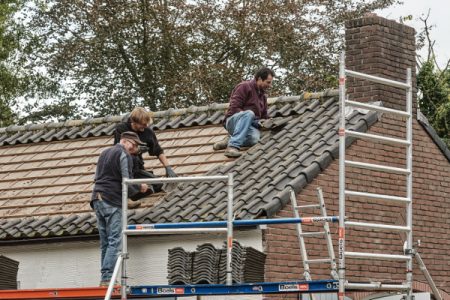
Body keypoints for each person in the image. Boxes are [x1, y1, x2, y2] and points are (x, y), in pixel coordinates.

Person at [91, 131, 149, 286]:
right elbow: (126, 182)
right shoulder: (124, 154)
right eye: (134, 145)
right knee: (115, 240)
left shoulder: (104, 152)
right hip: (111, 200)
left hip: (97, 198)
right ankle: (108, 278)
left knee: (105, 242)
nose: (135, 148)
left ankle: (105, 278)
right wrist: (140, 187)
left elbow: (98, 177)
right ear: (125, 141)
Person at [114, 107, 177, 200]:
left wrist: (168, 167)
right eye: (142, 124)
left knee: (159, 184)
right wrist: (137, 150)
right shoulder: (122, 129)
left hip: (137, 169)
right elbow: (118, 150)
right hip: (123, 169)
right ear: (133, 121)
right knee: (127, 185)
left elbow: (158, 151)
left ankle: (137, 193)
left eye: (146, 124)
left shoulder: (148, 132)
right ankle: (129, 193)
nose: (145, 126)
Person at [216, 67, 275, 158]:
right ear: (259, 79)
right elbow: (234, 108)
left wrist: (268, 122)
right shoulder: (244, 87)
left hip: (247, 126)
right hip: (233, 121)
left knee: (255, 140)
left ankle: (230, 139)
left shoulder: (263, 96)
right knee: (249, 114)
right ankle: (232, 147)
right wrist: (255, 121)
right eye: (268, 82)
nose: (270, 85)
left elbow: (264, 116)